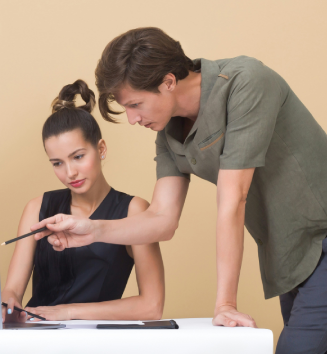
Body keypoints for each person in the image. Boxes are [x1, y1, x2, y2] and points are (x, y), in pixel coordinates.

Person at [33, 27, 327, 353]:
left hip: (321, 238)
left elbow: (233, 198)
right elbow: (162, 219)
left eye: (136, 104)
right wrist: (91, 230)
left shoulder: (247, 83)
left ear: (168, 82)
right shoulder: (170, 130)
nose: (131, 119)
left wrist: (225, 304)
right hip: (292, 258)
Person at [2, 80, 164, 323]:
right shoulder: (37, 208)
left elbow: (152, 306)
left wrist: (68, 313)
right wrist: (7, 303)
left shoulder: (134, 211)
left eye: (78, 157)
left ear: (101, 149)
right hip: (35, 336)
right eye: (57, 163)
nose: (70, 173)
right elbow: (12, 291)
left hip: (94, 340)